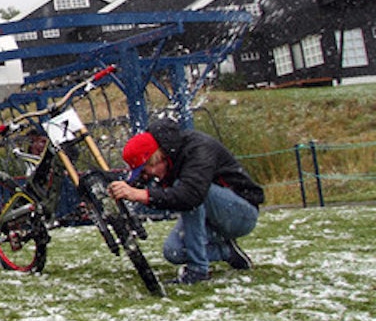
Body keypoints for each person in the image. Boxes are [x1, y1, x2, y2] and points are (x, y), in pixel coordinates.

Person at [108, 117, 264, 284]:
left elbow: (189, 196)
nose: (149, 176)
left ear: (156, 158)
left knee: (184, 189)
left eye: (147, 170)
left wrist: (139, 194)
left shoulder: (199, 149)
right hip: (210, 215)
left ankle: (198, 270)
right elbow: (139, 184)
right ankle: (227, 252)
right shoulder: (169, 156)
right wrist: (117, 189)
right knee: (173, 251)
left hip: (241, 215)